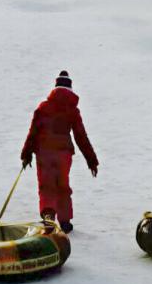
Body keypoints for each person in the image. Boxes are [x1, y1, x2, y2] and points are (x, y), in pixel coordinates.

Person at [21, 71, 99, 233]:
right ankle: (65, 222)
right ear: (70, 88)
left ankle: (49, 216)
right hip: (64, 154)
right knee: (62, 185)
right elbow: (80, 136)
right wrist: (91, 160)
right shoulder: (72, 110)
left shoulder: (43, 108)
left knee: (46, 185)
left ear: (55, 87)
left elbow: (33, 132)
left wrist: (26, 154)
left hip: (44, 153)